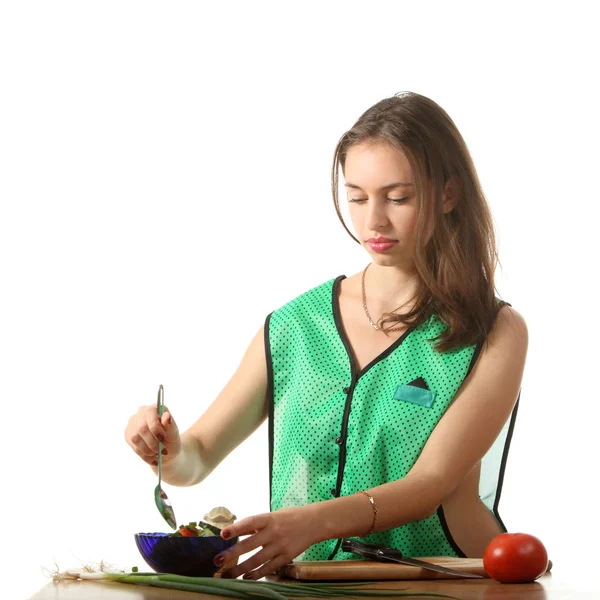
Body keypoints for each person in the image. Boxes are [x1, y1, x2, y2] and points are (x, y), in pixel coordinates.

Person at [124, 91, 528, 580]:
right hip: (307, 584)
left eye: (398, 197)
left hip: (445, 580)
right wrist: (165, 449)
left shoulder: (493, 330)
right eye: (357, 197)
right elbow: (197, 458)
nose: (372, 221)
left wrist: (312, 523)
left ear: (448, 194)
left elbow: (430, 483)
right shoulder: (295, 325)